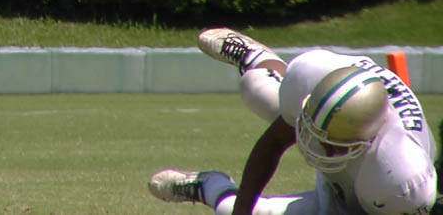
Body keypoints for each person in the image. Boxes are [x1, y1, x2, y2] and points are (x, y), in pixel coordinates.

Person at [148, 27, 438, 215]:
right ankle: (256, 58)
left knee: (235, 209)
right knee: (254, 87)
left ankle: (208, 185)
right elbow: (275, 141)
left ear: (366, 139)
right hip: (350, 142)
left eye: (331, 143)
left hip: (360, 201)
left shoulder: (402, 181)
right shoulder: (315, 75)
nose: (317, 147)